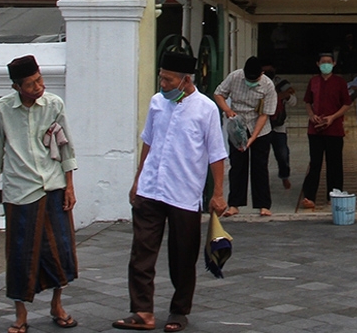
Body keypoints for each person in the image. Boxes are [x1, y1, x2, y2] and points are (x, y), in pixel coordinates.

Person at [113, 51, 227, 333]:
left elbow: (216, 154)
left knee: (183, 256)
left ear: (186, 80)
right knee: (141, 252)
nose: (162, 83)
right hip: (151, 189)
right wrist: (138, 179)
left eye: (168, 79)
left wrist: (219, 193)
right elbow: (148, 142)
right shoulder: (157, 103)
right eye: (161, 77)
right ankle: (142, 312)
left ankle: (179, 311)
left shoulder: (206, 109)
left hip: (184, 193)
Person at [0, 54, 79, 333]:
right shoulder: (2, 110)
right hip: (19, 190)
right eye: (30, 84)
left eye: (39, 80)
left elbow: (66, 148)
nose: (38, 87)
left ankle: (57, 305)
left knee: (59, 251)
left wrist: (69, 186)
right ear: (17, 87)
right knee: (20, 256)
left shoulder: (54, 104)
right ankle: (21, 315)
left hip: (53, 185)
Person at [214, 56, 277, 217]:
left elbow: (265, 115)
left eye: (254, 79)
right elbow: (218, 94)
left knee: (260, 167)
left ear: (261, 74)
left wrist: (253, 137)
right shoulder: (235, 76)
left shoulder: (268, 85)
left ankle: (263, 205)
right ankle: (234, 204)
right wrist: (227, 110)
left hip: (260, 129)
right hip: (238, 127)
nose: (251, 81)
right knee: (237, 166)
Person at [299, 51, 351, 210]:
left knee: (334, 163)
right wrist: (312, 115)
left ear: (334, 64)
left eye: (329, 62)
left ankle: (334, 194)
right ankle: (309, 196)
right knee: (315, 163)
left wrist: (333, 117)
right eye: (323, 62)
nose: (326, 65)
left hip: (334, 129)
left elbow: (347, 103)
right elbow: (308, 101)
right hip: (315, 129)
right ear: (318, 64)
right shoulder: (313, 81)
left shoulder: (340, 82)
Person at [262, 64, 296, 188]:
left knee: (282, 154)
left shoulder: (281, 83)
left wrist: (286, 96)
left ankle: (284, 176)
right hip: (262, 125)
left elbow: (293, 101)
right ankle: (262, 181)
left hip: (278, 126)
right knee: (261, 156)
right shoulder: (258, 82)